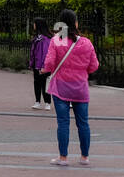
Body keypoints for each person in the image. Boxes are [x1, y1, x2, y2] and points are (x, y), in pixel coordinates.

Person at [43, 9, 100, 166]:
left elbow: (49, 64)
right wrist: (82, 71)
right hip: (80, 88)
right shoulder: (86, 43)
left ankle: (63, 158)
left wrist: (44, 70)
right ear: (75, 23)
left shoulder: (56, 41)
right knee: (83, 123)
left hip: (61, 87)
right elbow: (94, 66)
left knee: (63, 123)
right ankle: (84, 157)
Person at [29, 17, 51, 109]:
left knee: (44, 84)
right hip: (36, 65)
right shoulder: (37, 38)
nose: (33, 25)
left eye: (34, 23)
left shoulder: (45, 39)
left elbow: (45, 53)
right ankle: (37, 101)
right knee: (37, 83)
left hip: (42, 66)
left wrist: (43, 66)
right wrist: (32, 64)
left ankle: (47, 102)